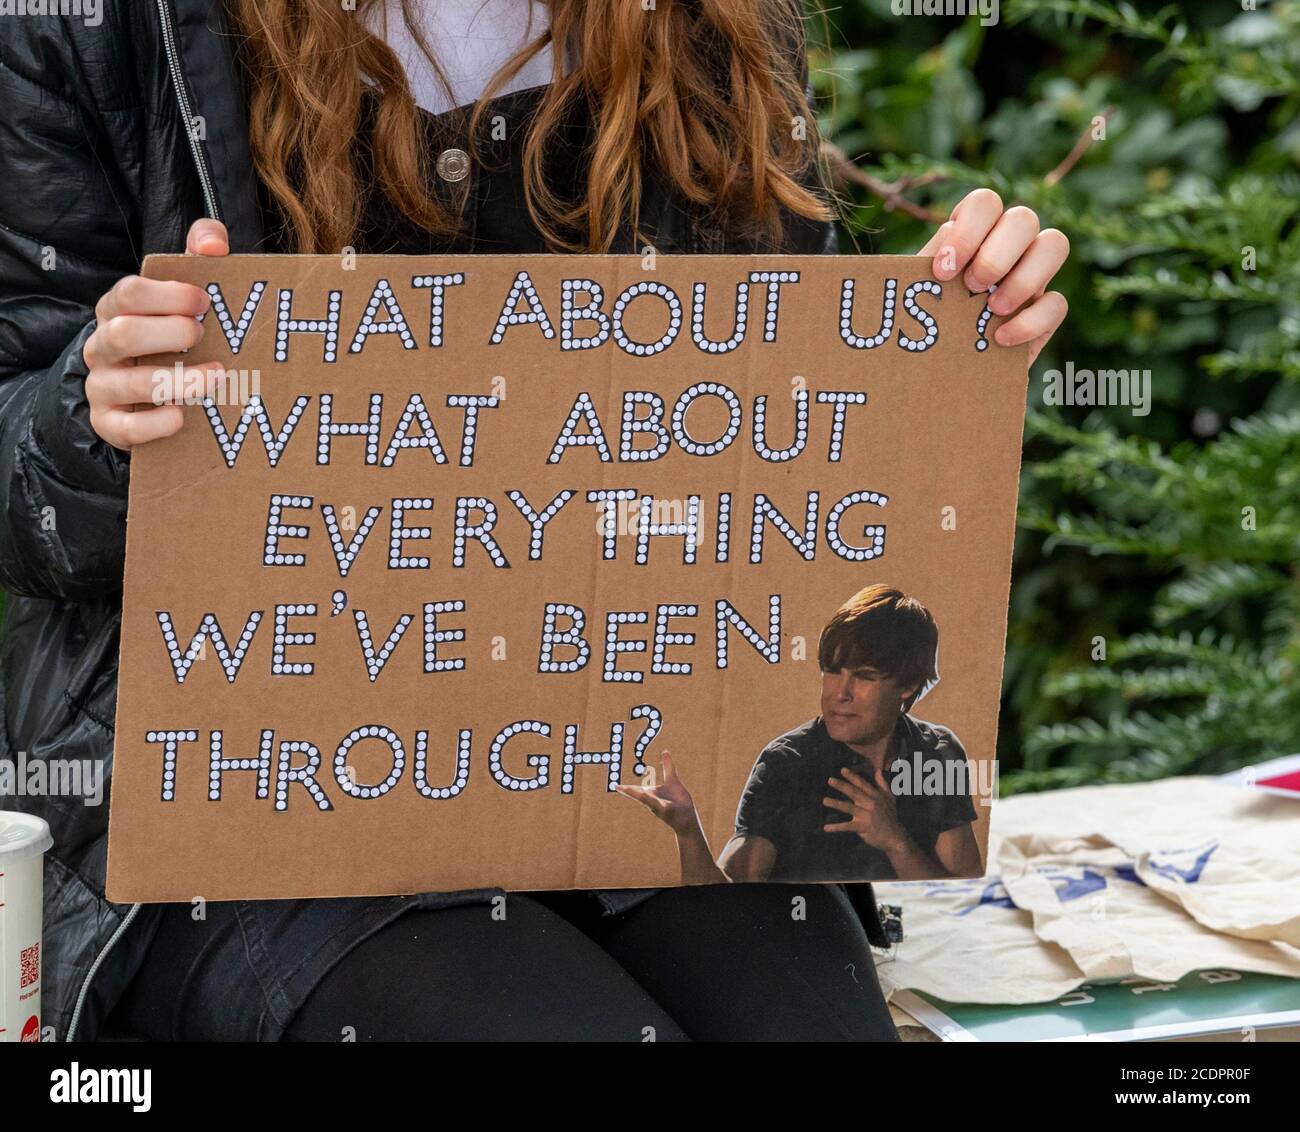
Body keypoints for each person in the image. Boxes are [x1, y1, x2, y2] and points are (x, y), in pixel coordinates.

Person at [0, 0, 1068, 1042]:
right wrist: (94, 410)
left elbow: (776, 439)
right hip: (257, 815)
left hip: (632, 772)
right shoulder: (93, 21)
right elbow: (17, 470)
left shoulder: (717, 20)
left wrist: (941, 331)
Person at [621, 585, 984, 885]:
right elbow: (726, 904)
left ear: (906, 685)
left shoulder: (937, 752)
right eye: (831, 671)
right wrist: (688, 832)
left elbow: (965, 895)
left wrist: (895, 840)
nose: (838, 693)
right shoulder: (787, 763)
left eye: (864, 675)